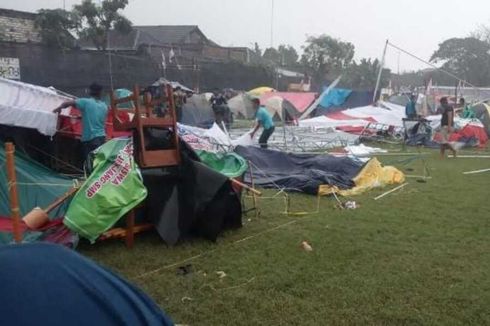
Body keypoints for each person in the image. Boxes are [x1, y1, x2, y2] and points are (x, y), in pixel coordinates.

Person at [53, 82, 108, 160]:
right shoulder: (104, 106)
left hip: (90, 138)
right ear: (101, 93)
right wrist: (82, 117)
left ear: (90, 91)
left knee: (90, 162)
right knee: (98, 162)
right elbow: (96, 117)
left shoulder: (85, 102)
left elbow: (67, 103)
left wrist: (59, 108)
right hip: (102, 138)